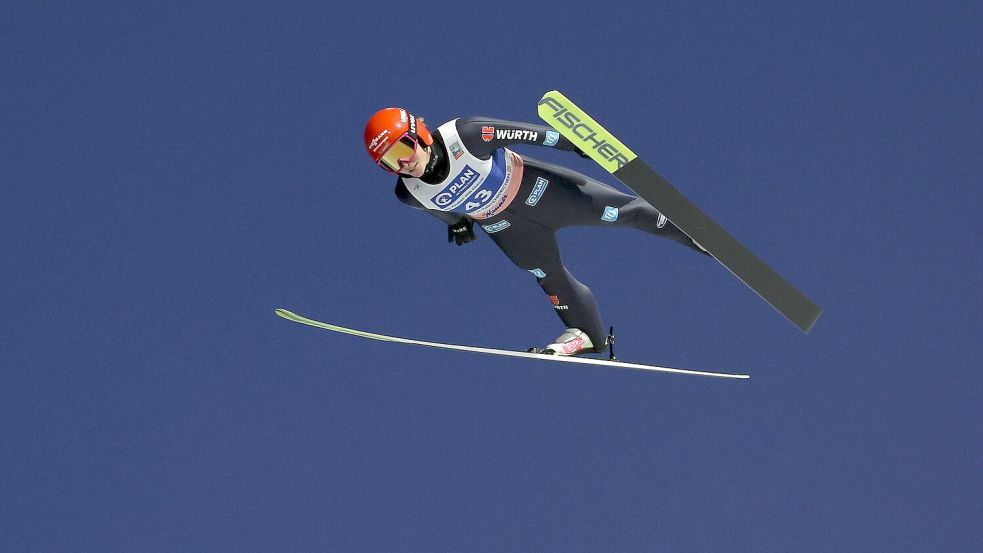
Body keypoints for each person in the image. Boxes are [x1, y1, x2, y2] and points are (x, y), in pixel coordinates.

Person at [363, 107, 708, 356]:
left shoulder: (465, 135)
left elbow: (530, 134)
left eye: (402, 148)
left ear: (419, 133)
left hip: (542, 191)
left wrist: (575, 144)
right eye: (390, 161)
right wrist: (459, 225)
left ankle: (694, 234)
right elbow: (440, 210)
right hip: (507, 227)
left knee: (621, 212)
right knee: (547, 274)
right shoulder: (408, 193)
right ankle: (587, 336)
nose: (403, 163)